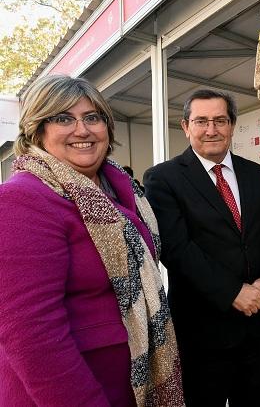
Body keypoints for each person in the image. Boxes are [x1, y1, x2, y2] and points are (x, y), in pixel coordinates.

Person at [0, 75, 184, 407]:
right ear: (37, 130)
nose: (82, 130)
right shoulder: (21, 198)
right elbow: (31, 336)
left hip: (127, 386)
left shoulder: (120, 189)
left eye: (92, 117)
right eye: (63, 118)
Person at [143, 89, 260, 407]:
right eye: (201, 121)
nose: (211, 129)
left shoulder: (258, 174)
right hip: (201, 331)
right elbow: (176, 248)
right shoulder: (163, 178)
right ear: (185, 126)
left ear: (232, 125)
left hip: (255, 324)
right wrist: (233, 292)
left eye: (220, 120)